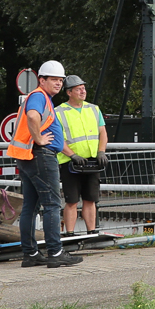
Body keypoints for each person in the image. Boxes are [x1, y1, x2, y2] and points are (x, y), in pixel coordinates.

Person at [5, 60, 83, 268]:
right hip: (40, 156)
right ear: (42, 80)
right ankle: (55, 253)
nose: (58, 83)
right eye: (54, 79)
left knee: (30, 207)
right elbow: (32, 117)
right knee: (51, 205)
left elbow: (50, 131)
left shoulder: (44, 99)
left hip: (29, 157)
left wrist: (70, 154)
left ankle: (30, 254)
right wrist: (39, 139)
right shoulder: (39, 96)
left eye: (60, 80)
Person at [56, 75, 107, 235]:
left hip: (92, 162)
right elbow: (58, 139)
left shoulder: (93, 109)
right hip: (70, 163)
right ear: (69, 92)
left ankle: (91, 232)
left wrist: (101, 152)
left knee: (90, 199)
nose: (83, 91)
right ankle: (70, 234)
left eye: (83, 88)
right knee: (71, 200)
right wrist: (72, 155)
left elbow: (102, 132)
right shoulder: (59, 112)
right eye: (79, 89)